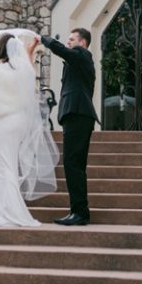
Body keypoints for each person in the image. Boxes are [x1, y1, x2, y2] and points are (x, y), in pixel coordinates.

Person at [0, 32, 58, 227]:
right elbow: (29, 73)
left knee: (6, 164)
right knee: (3, 163)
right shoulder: (24, 70)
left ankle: (14, 212)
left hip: (4, 122)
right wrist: (29, 51)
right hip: (20, 122)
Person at [40, 27, 98, 226]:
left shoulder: (82, 54)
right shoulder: (78, 62)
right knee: (75, 165)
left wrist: (45, 40)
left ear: (82, 43)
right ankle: (79, 211)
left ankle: (80, 212)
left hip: (78, 116)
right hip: (77, 116)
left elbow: (63, 51)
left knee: (73, 164)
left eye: (72, 39)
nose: (68, 43)